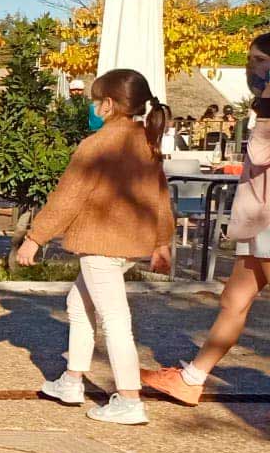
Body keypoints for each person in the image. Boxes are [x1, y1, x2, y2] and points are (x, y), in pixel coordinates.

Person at [17, 68, 175, 425]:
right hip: (129, 245)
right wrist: (162, 242)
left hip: (100, 244)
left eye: (95, 100)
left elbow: (67, 199)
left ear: (109, 104)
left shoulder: (97, 145)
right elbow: (161, 199)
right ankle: (72, 381)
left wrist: (34, 239)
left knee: (115, 320)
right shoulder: (147, 141)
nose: (93, 107)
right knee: (78, 304)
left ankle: (130, 400)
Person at [143, 32, 270, 406]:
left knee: (236, 300)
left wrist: (265, 103)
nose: (251, 67)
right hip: (259, 220)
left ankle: (191, 377)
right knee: (234, 298)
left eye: (258, 60)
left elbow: (262, 154)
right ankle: (191, 378)